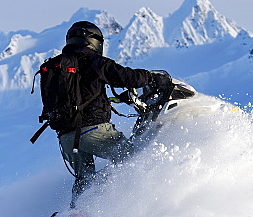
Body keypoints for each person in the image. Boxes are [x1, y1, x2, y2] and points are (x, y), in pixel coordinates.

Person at [38, 20, 172, 205]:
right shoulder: (94, 61)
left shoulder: (56, 65)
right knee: (134, 160)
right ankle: (138, 205)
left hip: (66, 137)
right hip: (93, 131)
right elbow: (128, 77)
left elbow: (83, 95)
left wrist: (119, 99)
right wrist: (154, 78)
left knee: (84, 180)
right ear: (94, 41)